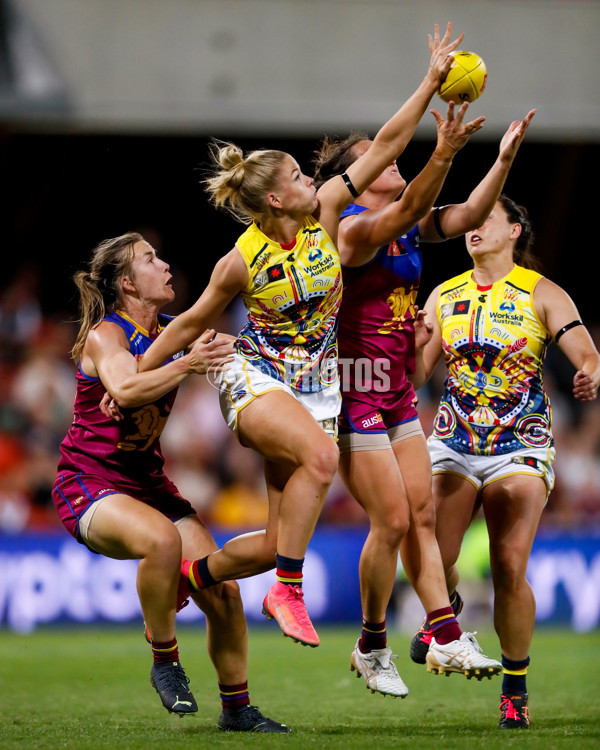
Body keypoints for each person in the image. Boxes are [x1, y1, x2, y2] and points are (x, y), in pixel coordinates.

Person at [135, 23, 465, 649]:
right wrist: (132, 381)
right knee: (319, 456)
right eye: (296, 173)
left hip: (309, 388)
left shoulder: (325, 214)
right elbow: (188, 323)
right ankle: (288, 588)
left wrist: (429, 80)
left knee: (270, 540)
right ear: (275, 198)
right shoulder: (240, 259)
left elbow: (389, 141)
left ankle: (190, 576)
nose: (310, 177)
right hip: (252, 376)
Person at [310, 99, 535, 696]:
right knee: (390, 520)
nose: (394, 166)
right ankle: (374, 642)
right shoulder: (351, 230)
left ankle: (443, 630)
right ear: (359, 176)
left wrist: (504, 159)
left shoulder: (406, 222)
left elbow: (466, 214)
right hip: (354, 391)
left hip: (397, 393)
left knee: (422, 515)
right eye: (380, 162)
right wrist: (446, 150)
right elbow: (411, 205)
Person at [51, 233, 290, 733]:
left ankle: (238, 709)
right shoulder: (106, 335)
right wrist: (183, 364)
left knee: (222, 594)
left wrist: (225, 350)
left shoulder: (170, 332)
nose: (164, 266)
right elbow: (126, 386)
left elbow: (162, 373)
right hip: (88, 482)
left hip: (149, 482)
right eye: (149, 260)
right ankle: (164, 659)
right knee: (160, 540)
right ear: (126, 283)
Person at [412, 195, 600, 728]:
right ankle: (440, 611)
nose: (471, 227)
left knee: (508, 566)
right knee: (428, 548)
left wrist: (590, 370)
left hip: (519, 443)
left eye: (485, 218)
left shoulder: (542, 292)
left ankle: (514, 688)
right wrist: (411, 347)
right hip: (453, 442)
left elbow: (586, 350)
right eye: (466, 221)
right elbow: (417, 377)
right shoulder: (443, 296)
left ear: (515, 230)